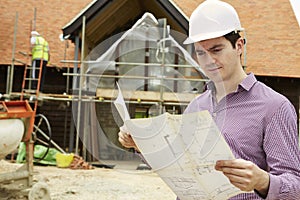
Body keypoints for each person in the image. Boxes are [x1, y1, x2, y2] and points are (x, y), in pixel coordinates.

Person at [118, 0, 300, 199]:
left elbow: (295, 187)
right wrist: (140, 144)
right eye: (201, 53)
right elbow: (177, 166)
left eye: (216, 50)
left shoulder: (274, 107)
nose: (209, 61)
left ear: (239, 46)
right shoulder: (197, 105)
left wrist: (263, 181)